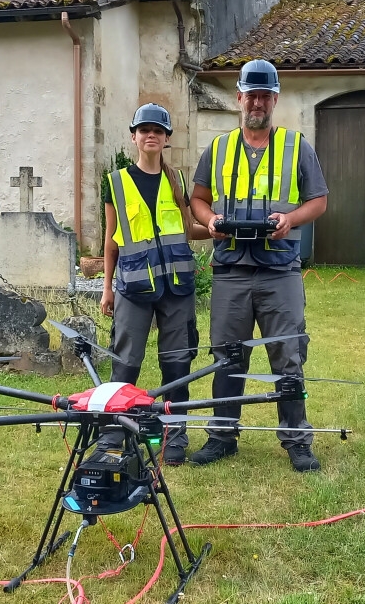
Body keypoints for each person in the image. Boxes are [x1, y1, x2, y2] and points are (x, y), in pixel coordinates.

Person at [187, 59, 329, 472]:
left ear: (275, 100)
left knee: (288, 355)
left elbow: (318, 200)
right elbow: (198, 199)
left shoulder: (296, 146)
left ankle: (297, 440)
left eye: (265, 96)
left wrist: (291, 220)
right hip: (231, 269)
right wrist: (210, 220)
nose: (258, 103)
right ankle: (221, 436)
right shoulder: (218, 148)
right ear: (239, 98)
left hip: (279, 270)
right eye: (251, 95)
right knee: (227, 356)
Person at [93, 103, 209, 465]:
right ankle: (115, 434)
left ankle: (175, 436)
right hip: (133, 289)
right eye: (144, 130)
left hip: (177, 289)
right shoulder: (116, 182)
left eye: (158, 131)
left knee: (177, 364)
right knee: (125, 364)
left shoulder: (177, 181)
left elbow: (189, 229)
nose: (151, 135)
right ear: (134, 137)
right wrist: (107, 287)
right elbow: (111, 239)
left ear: (166, 139)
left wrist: (218, 230)